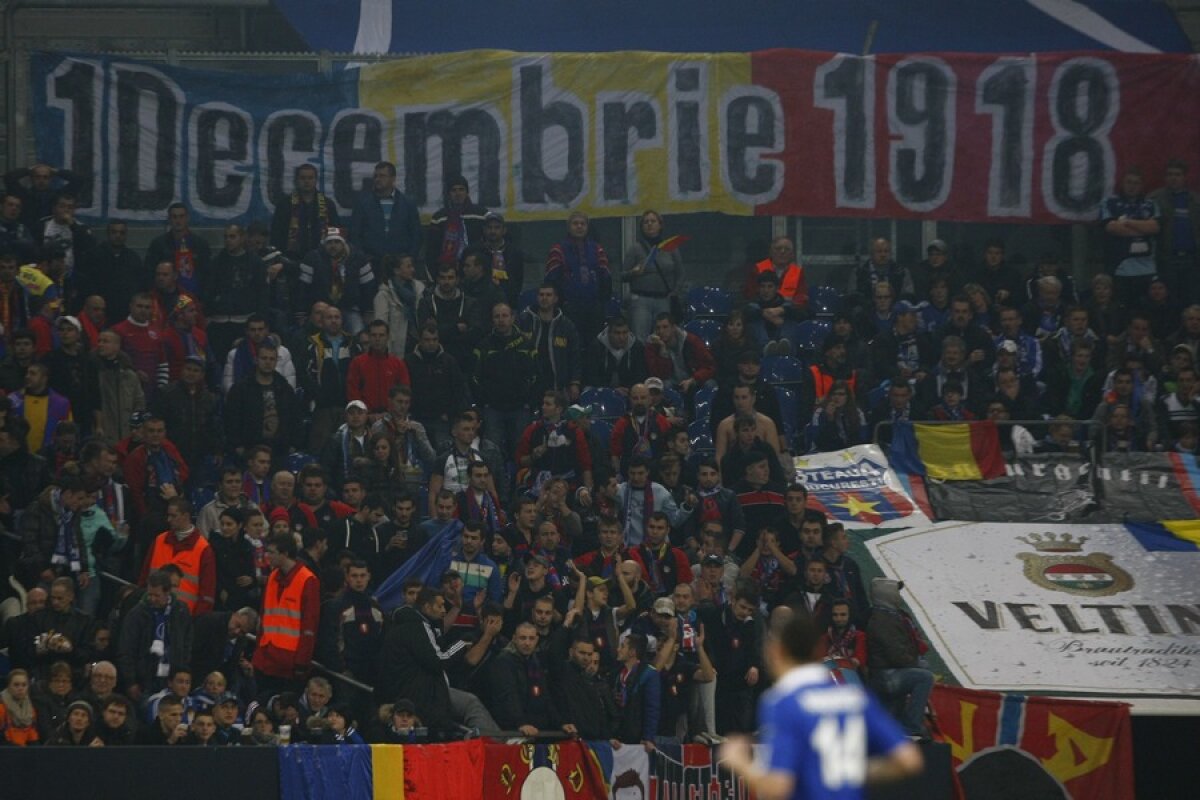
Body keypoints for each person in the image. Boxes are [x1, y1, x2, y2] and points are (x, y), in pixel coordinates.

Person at [720, 612, 922, 800]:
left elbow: (777, 786)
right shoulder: (855, 696)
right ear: (817, 651)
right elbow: (909, 759)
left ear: (776, 651)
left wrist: (739, 761)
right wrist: (850, 771)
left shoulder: (783, 702)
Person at [252, 532, 321, 701]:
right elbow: (264, 615)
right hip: (266, 656)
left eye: (272, 552)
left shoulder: (307, 580)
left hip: (288, 662)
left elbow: (309, 626)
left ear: (285, 554)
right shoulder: (273, 577)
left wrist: (301, 662)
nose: (267, 557)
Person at [866, 578, 935, 738]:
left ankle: (897, 729)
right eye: (896, 592)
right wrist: (916, 663)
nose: (899, 596)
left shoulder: (891, 616)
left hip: (889, 673)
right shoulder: (882, 620)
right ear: (887, 594)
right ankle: (911, 726)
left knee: (893, 713)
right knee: (924, 677)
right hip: (886, 675)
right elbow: (896, 654)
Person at [117, 569, 193, 705]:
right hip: (145, 681)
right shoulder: (137, 614)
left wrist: (182, 669)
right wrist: (131, 681)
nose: (152, 599)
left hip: (172, 679)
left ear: (168, 592)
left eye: (157, 595)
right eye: (150, 594)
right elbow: (126, 649)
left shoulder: (181, 611)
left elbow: (187, 643)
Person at [544, 211, 612, 344]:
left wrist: (601, 302)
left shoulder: (597, 249)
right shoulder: (558, 249)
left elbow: (606, 277)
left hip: (594, 308)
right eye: (575, 223)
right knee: (570, 345)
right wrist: (560, 303)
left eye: (583, 224)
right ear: (569, 227)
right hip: (568, 308)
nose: (579, 226)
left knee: (594, 346)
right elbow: (551, 281)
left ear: (587, 227)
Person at [1101, 166, 1162, 301]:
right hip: (1120, 268)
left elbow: (1154, 228)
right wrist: (1142, 227)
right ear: (1122, 183)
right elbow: (1112, 228)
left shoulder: (1151, 204)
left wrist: (1127, 222)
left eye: (1136, 183)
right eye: (1129, 182)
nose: (1132, 186)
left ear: (1141, 186)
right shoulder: (1110, 203)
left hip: (1147, 268)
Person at [622, 210, 683, 340]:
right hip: (640, 301)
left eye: (653, 221)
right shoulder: (635, 249)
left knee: (665, 338)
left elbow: (680, 274)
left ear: (660, 225)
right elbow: (622, 276)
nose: (649, 224)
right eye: (646, 222)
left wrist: (675, 292)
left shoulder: (671, 248)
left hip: (663, 300)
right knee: (640, 339)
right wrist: (633, 273)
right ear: (642, 226)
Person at [350, 160, 422, 263]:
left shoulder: (407, 204)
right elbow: (355, 234)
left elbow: (416, 234)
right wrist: (362, 257)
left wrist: (410, 257)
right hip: (371, 263)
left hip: (400, 264)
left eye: (382, 176)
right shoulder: (363, 204)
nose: (378, 179)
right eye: (376, 176)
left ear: (393, 178)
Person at [271, 163, 341, 262]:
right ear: (297, 180)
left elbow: (335, 232)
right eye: (303, 178)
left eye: (310, 178)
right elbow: (276, 234)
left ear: (316, 180)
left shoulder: (328, 204)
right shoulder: (285, 204)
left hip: (321, 259)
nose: (306, 181)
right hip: (291, 259)